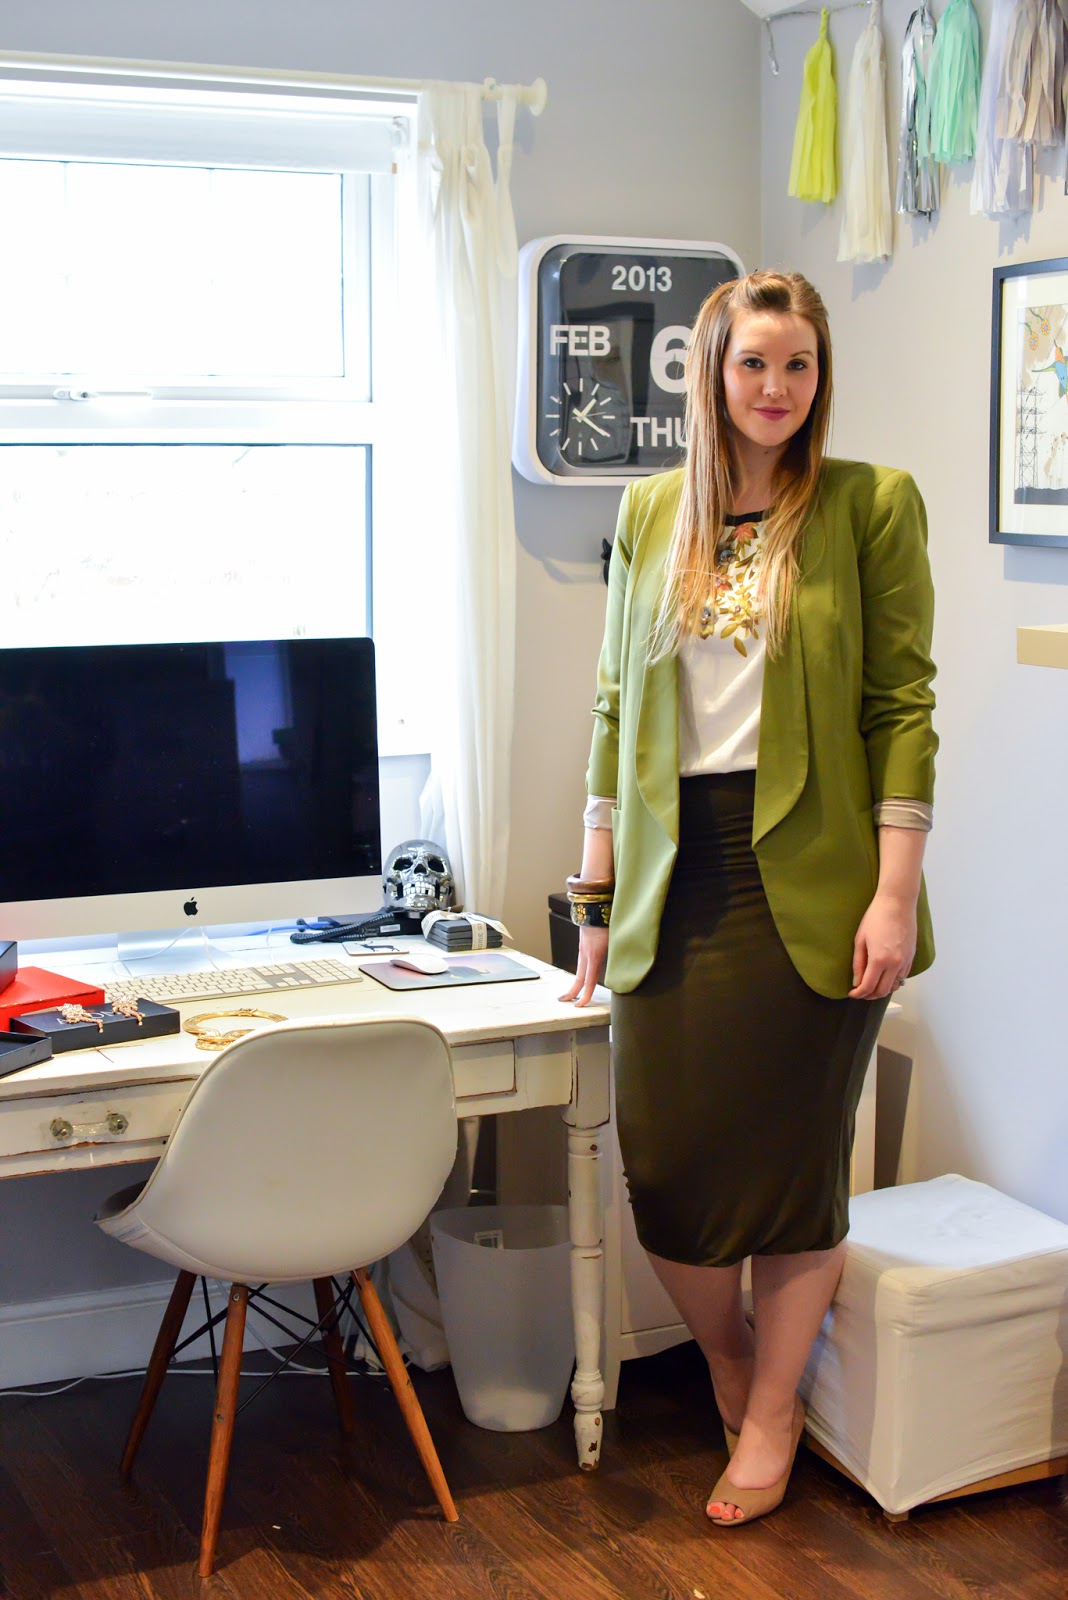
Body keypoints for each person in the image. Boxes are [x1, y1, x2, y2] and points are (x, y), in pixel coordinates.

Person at [562, 270, 936, 1527]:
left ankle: (772, 1411)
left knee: (792, 1173)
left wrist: (894, 895)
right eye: (754, 364)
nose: (777, 388)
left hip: (818, 881)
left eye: (799, 365)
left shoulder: (869, 505)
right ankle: (729, 1360)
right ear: (711, 374)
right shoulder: (651, 508)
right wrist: (593, 898)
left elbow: (902, 707)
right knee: (666, 1173)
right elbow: (613, 708)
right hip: (677, 874)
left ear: (821, 378)